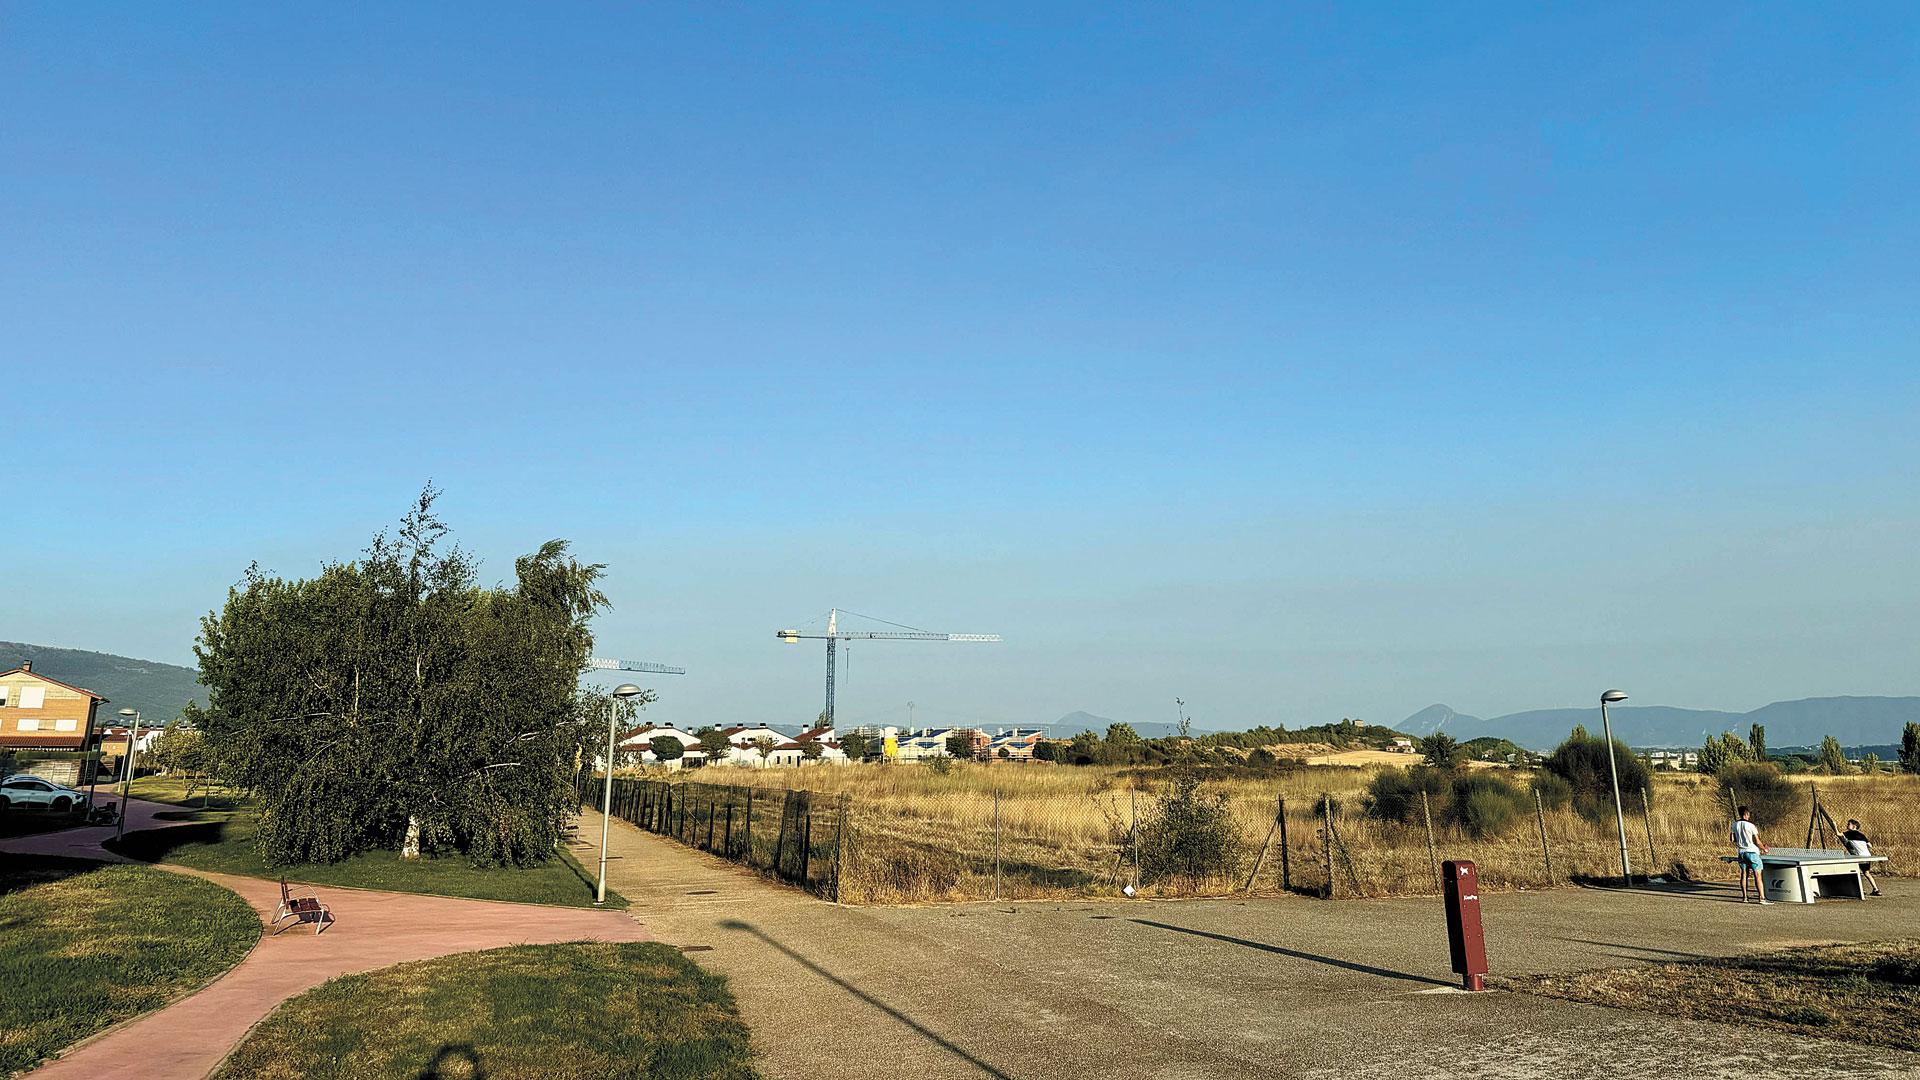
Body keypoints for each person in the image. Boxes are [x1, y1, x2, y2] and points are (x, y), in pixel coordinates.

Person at [1731, 805, 1771, 905]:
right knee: (1758, 875)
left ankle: (1745, 897)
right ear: (1746, 814)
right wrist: (1764, 848)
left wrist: (1740, 840)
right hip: (1752, 852)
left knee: (1744, 874)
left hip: (1741, 853)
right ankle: (1762, 898)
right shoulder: (1751, 826)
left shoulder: (1734, 825)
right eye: (1748, 815)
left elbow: (1732, 839)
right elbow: (1757, 842)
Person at [1840, 818, 1882, 897]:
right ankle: (1876, 889)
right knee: (1866, 873)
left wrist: (1834, 825)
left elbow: (1839, 834)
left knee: (1853, 872)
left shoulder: (1850, 833)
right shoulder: (1862, 835)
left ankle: (1860, 889)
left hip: (1859, 856)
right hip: (1867, 856)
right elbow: (1870, 845)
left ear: (1854, 826)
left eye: (1849, 824)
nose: (1847, 825)